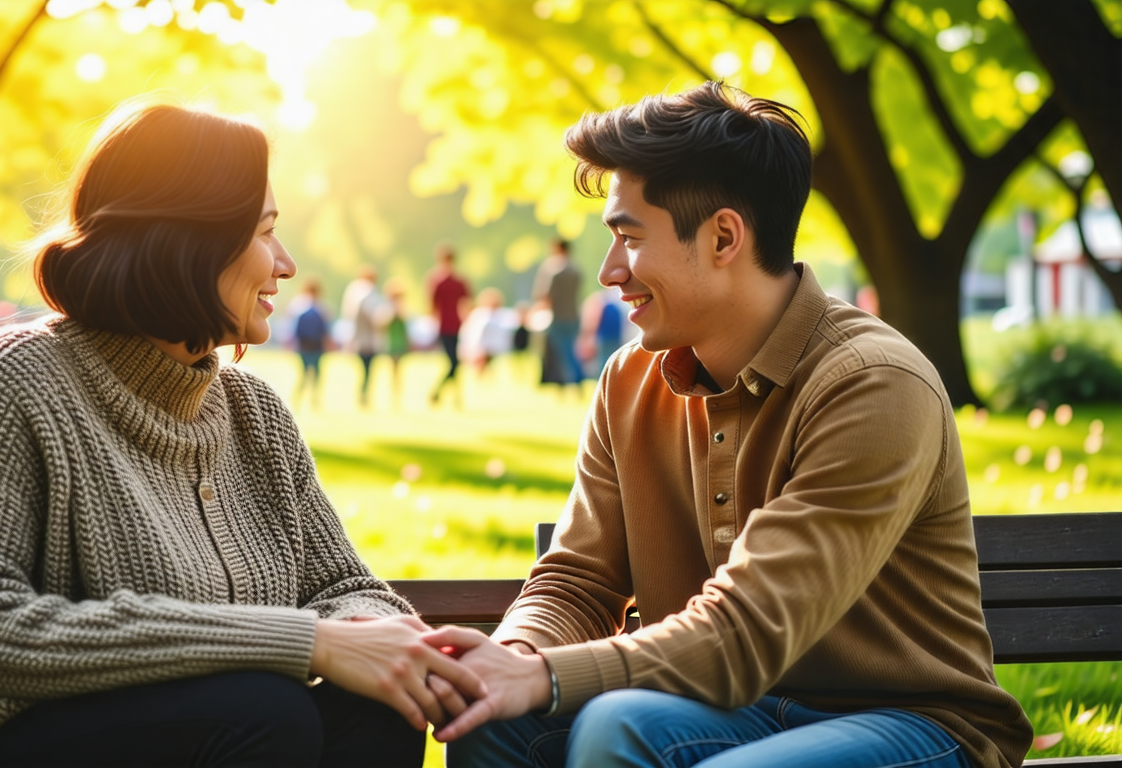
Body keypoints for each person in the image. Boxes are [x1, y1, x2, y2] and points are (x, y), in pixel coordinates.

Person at [0, 97, 482, 768]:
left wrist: (369, 639)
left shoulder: (254, 414)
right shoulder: (16, 376)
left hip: (205, 727)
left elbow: (348, 585)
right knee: (262, 709)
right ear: (186, 240)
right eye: (263, 233)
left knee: (383, 702)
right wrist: (303, 642)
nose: (284, 263)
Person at [424, 82, 1031, 768]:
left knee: (633, 735)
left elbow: (747, 631)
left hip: (909, 723)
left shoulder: (874, 383)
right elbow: (578, 582)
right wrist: (513, 657)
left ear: (722, 237)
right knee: (489, 720)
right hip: (723, 705)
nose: (608, 271)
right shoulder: (629, 381)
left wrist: (543, 678)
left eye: (629, 237)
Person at [532, 238, 583, 390]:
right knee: (571, 349)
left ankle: (570, 381)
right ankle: (576, 379)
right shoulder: (576, 270)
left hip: (557, 317)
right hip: (573, 316)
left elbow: (544, 296)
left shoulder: (553, 270)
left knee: (562, 352)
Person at [427, 243, 471, 405]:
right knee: (454, 362)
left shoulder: (453, 281)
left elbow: (466, 303)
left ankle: (451, 396)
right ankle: (442, 394)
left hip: (454, 325)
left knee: (454, 362)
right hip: (446, 326)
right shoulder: (439, 281)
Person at [340, 265, 384, 407]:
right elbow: (375, 317)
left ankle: (363, 395)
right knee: (367, 370)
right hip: (368, 340)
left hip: (358, 338)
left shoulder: (353, 290)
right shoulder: (367, 293)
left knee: (365, 370)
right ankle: (364, 395)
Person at [291, 276, 331, 410]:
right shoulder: (320, 310)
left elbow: (296, 331)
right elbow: (325, 331)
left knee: (304, 375)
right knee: (314, 375)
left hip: (305, 346)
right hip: (314, 347)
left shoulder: (301, 309)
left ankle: (303, 400)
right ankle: (312, 401)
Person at [458, 287, 516, 377]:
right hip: (481, 345)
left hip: (495, 345)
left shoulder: (502, 314)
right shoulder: (480, 314)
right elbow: (472, 333)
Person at [379, 278, 411, 407]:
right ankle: (394, 394)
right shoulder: (386, 308)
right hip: (390, 341)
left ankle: (397, 394)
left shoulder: (402, 308)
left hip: (399, 341)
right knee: (393, 369)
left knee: (398, 369)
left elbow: (406, 326)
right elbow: (381, 324)